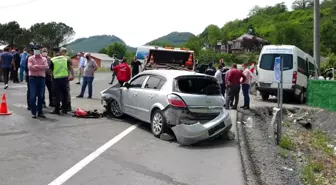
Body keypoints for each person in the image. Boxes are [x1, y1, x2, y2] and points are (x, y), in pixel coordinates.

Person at [49, 47, 74, 115]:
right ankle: (65, 109)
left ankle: (57, 109)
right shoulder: (65, 59)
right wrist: (73, 75)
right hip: (65, 78)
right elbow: (70, 67)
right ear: (59, 52)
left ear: (54, 53)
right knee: (64, 94)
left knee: (56, 94)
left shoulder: (53, 59)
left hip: (56, 79)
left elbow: (50, 70)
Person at [27, 45, 49, 118]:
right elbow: (30, 67)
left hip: (41, 78)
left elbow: (46, 67)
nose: (36, 50)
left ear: (40, 50)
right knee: (33, 96)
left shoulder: (44, 59)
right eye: (35, 49)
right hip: (32, 78)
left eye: (38, 49)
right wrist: (40, 67)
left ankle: (40, 112)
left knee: (41, 96)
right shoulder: (30, 58)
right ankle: (34, 111)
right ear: (33, 50)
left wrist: (35, 66)